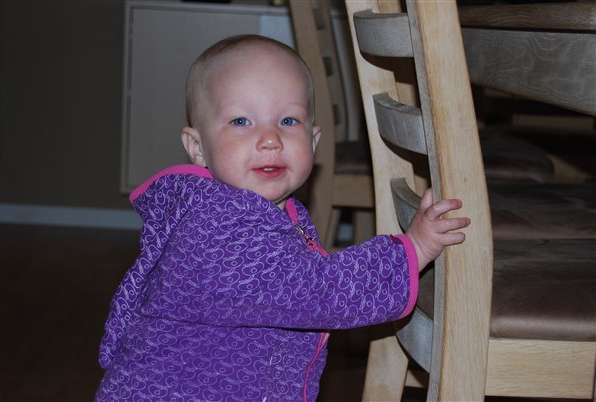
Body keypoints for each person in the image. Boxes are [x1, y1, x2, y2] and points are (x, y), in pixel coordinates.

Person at [95, 34, 470, 401]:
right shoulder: (217, 229)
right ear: (198, 147)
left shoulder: (261, 209)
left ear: (314, 140)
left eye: (288, 120)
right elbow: (318, 291)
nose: (270, 139)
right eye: (241, 121)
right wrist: (413, 249)